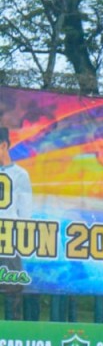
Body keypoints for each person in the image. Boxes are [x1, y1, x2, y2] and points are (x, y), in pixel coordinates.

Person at [0, 125, 35, 305]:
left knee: (12, 288)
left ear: (3, 146)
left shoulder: (20, 175)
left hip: (9, 240)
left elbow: (26, 212)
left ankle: (13, 326)